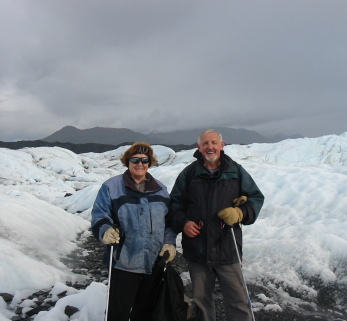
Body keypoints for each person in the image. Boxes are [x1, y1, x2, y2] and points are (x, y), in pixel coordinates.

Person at [168, 129, 264, 321]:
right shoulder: (189, 174)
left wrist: (240, 212)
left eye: (213, 143)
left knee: (238, 301)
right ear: (199, 147)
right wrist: (184, 223)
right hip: (197, 249)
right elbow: (174, 206)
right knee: (202, 301)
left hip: (227, 247)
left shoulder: (235, 172)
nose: (209, 147)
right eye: (205, 143)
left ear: (222, 145)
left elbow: (256, 198)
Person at [91, 142, 177, 321]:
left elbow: (169, 222)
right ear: (127, 161)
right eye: (135, 159)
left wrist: (169, 242)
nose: (140, 164)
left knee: (145, 312)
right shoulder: (112, 187)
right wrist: (105, 230)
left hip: (153, 262)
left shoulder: (160, 189)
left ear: (150, 162)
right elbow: (100, 214)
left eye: (144, 160)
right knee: (118, 312)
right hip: (124, 262)